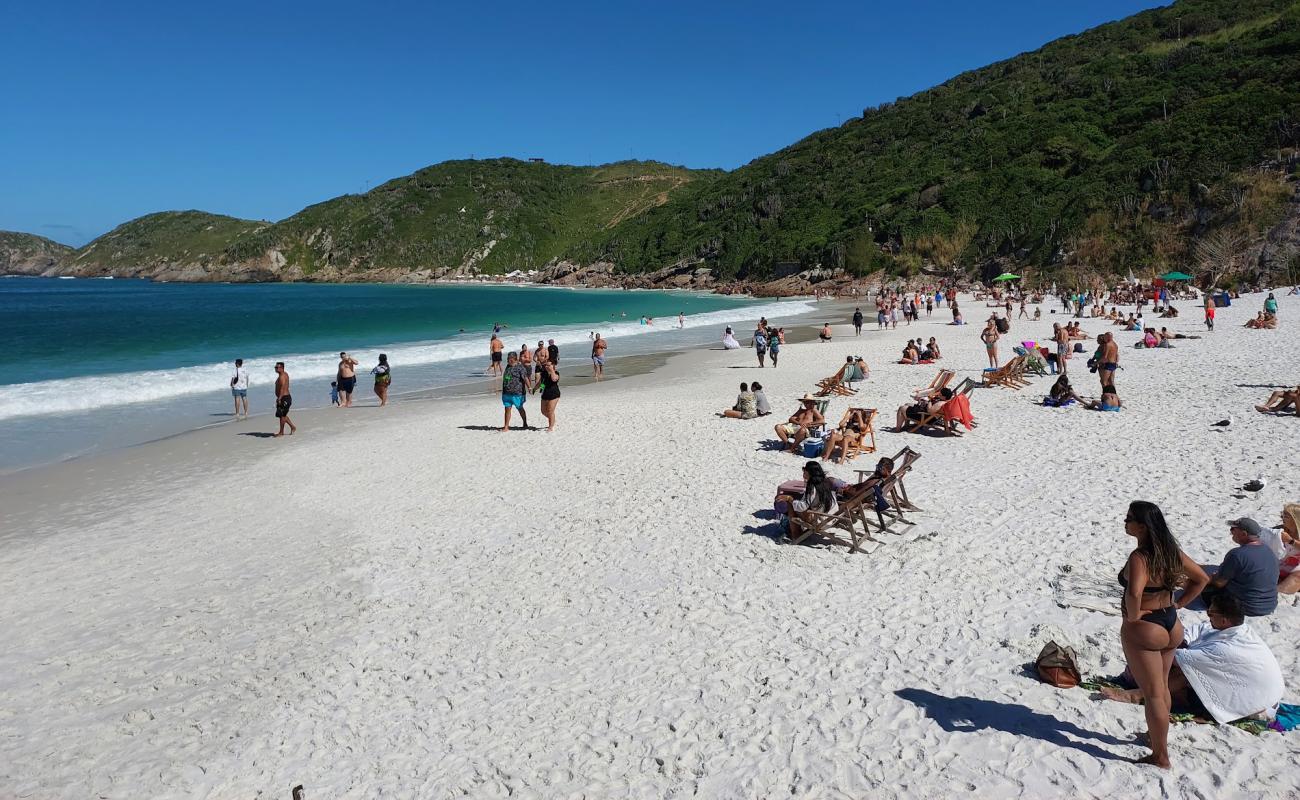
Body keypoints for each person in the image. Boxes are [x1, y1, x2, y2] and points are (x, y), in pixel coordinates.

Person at [1115, 501, 1210, 769]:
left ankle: (1161, 756)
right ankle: (1154, 735)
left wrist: (1132, 617)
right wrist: (1180, 603)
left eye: (1129, 518)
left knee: (1153, 692)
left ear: (1142, 527)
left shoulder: (1140, 557)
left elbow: (1134, 593)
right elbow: (1202, 578)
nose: (1125, 522)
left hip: (1146, 628)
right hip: (1171, 623)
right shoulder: (1171, 552)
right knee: (1162, 686)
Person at [1101, 593, 1284, 727]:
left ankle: (1136, 695)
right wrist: (1184, 641)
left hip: (1256, 701)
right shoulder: (1235, 629)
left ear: (1225, 620)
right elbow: (1199, 629)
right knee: (1179, 667)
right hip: (1258, 688)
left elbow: (1173, 658)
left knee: (1182, 675)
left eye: (1211, 614)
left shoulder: (1227, 647)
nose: (1208, 617)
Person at [1201, 518, 1279, 616]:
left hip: (1245, 608)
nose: (1231, 532)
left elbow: (1219, 583)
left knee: (1203, 587)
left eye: (1233, 529)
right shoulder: (1269, 551)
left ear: (1244, 534)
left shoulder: (1236, 554)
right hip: (1269, 605)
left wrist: (1210, 578)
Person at [775, 461, 838, 540]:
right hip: (832, 517)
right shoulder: (825, 482)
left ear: (809, 473)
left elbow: (803, 507)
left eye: (805, 472)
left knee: (790, 505)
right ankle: (796, 530)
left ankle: (795, 534)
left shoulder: (812, 486)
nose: (803, 475)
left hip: (821, 520)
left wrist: (789, 498)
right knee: (796, 503)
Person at [500, 351, 532, 431]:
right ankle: (506, 426)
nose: (509, 360)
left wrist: (529, 388)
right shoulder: (508, 366)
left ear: (515, 359)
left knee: (520, 408)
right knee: (507, 409)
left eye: (511, 359)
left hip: (517, 393)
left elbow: (525, 378)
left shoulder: (520, 367)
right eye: (508, 359)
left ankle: (525, 423)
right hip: (507, 393)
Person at [537, 358, 561, 431]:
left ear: (553, 365)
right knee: (543, 411)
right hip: (545, 394)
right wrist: (535, 389)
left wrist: (552, 371)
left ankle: (550, 426)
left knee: (550, 411)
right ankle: (552, 419)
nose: (546, 366)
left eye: (548, 365)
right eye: (546, 365)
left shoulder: (556, 373)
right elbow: (541, 383)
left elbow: (554, 379)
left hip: (554, 394)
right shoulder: (543, 373)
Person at [273, 361, 296, 437]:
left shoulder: (282, 376)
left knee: (282, 416)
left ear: (282, 368)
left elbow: (282, 388)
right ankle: (292, 427)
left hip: (284, 398)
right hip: (285, 397)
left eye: (277, 367)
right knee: (282, 415)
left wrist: (279, 398)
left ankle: (281, 432)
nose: (275, 369)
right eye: (275, 367)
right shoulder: (284, 374)